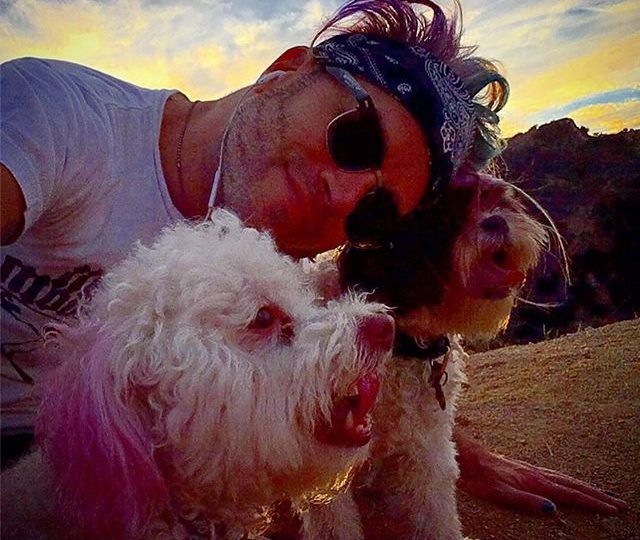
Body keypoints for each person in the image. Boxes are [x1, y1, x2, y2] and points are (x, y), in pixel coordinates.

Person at [0, 0, 626, 516]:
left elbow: (321, 366)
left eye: (374, 212)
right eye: (355, 135)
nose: (343, 196)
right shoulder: (56, 120)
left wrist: (455, 452)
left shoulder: (280, 271)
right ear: (285, 70)